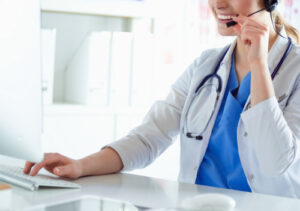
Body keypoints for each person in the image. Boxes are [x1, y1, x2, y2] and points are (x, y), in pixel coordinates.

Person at [25, 0, 300, 198]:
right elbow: (149, 136)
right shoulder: (206, 66)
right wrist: (80, 165)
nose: (218, 4)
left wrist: (260, 66)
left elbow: (276, 163)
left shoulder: (295, 71)